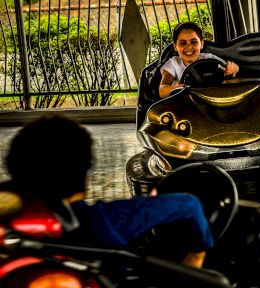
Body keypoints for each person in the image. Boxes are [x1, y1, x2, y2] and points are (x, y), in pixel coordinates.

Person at [3, 115, 214, 269]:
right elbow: (189, 205)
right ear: (84, 175)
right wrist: (194, 260)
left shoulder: (9, 223)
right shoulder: (99, 220)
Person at [159, 22, 240, 98]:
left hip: (212, 98)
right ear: (175, 46)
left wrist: (232, 69)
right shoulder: (173, 64)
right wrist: (180, 87)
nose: (189, 47)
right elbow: (162, 90)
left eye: (194, 42)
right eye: (183, 43)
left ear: (201, 44)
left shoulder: (209, 58)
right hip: (186, 103)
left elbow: (228, 71)